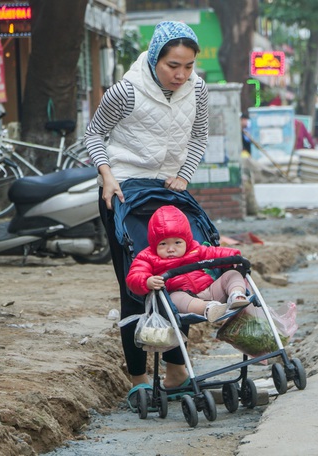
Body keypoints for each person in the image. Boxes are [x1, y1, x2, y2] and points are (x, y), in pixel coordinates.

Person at [83, 21, 209, 408]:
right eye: (173, 65)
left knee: (177, 276)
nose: (181, 75)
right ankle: (138, 377)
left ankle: (175, 372)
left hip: (167, 193)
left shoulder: (197, 90)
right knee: (138, 284)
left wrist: (184, 176)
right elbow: (93, 134)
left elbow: (199, 136)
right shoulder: (126, 91)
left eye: (188, 66)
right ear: (155, 57)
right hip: (123, 191)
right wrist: (106, 176)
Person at [126, 205, 249, 323]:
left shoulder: (195, 249)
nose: (171, 249)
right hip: (185, 299)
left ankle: (236, 295)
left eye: (177, 242)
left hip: (209, 290)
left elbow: (215, 252)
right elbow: (135, 276)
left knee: (232, 274)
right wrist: (147, 281)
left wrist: (233, 256)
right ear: (154, 244)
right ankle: (208, 308)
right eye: (163, 244)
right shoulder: (147, 257)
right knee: (175, 298)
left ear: (187, 241)